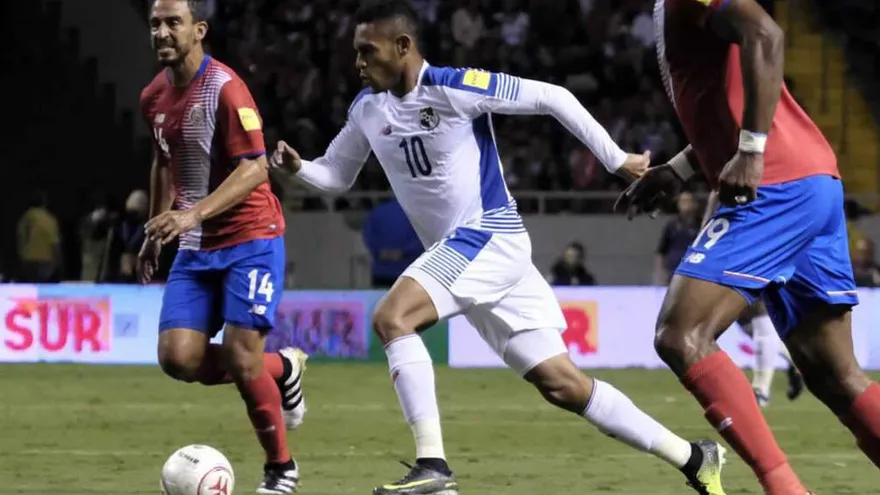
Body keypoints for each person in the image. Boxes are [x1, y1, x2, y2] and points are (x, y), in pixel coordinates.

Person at [272, 1, 728, 494]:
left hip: (489, 235)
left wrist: (616, 159)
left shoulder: (454, 87)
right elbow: (336, 175)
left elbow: (552, 96)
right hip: (464, 255)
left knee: (392, 318)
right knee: (563, 384)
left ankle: (433, 467)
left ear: (402, 46)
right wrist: (299, 168)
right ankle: (694, 457)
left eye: (368, 51)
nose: (358, 63)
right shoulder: (367, 109)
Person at [616, 0, 880, 493]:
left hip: (774, 188)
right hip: (810, 182)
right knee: (835, 376)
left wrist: (751, 151)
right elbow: (727, 98)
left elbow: (766, 36)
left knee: (681, 334)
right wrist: (680, 169)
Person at [138, 1, 307, 493]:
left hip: (251, 238)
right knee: (178, 358)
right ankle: (284, 368)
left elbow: (255, 168)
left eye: (173, 22)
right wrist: (154, 230)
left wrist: (190, 213)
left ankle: (281, 468)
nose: (162, 32)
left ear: (199, 30)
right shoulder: (153, 96)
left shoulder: (225, 89)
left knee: (240, 355)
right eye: (155, 24)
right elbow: (162, 161)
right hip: (197, 245)